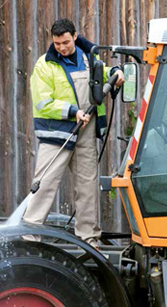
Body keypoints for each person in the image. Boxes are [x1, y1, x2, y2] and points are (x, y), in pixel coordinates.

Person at [24, 18, 123, 249]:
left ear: (75, 37)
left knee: (87, 186)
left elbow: (104, 73)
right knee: (44, 184)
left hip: (86, 134)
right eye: (57, 43)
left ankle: (88, 239)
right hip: (57, 134)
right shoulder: (44, 66)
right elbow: (42, 103)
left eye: (66, 42)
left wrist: (116, 72)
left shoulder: (89, 60)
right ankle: (29, 238)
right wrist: (72, 112)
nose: (61, 47)